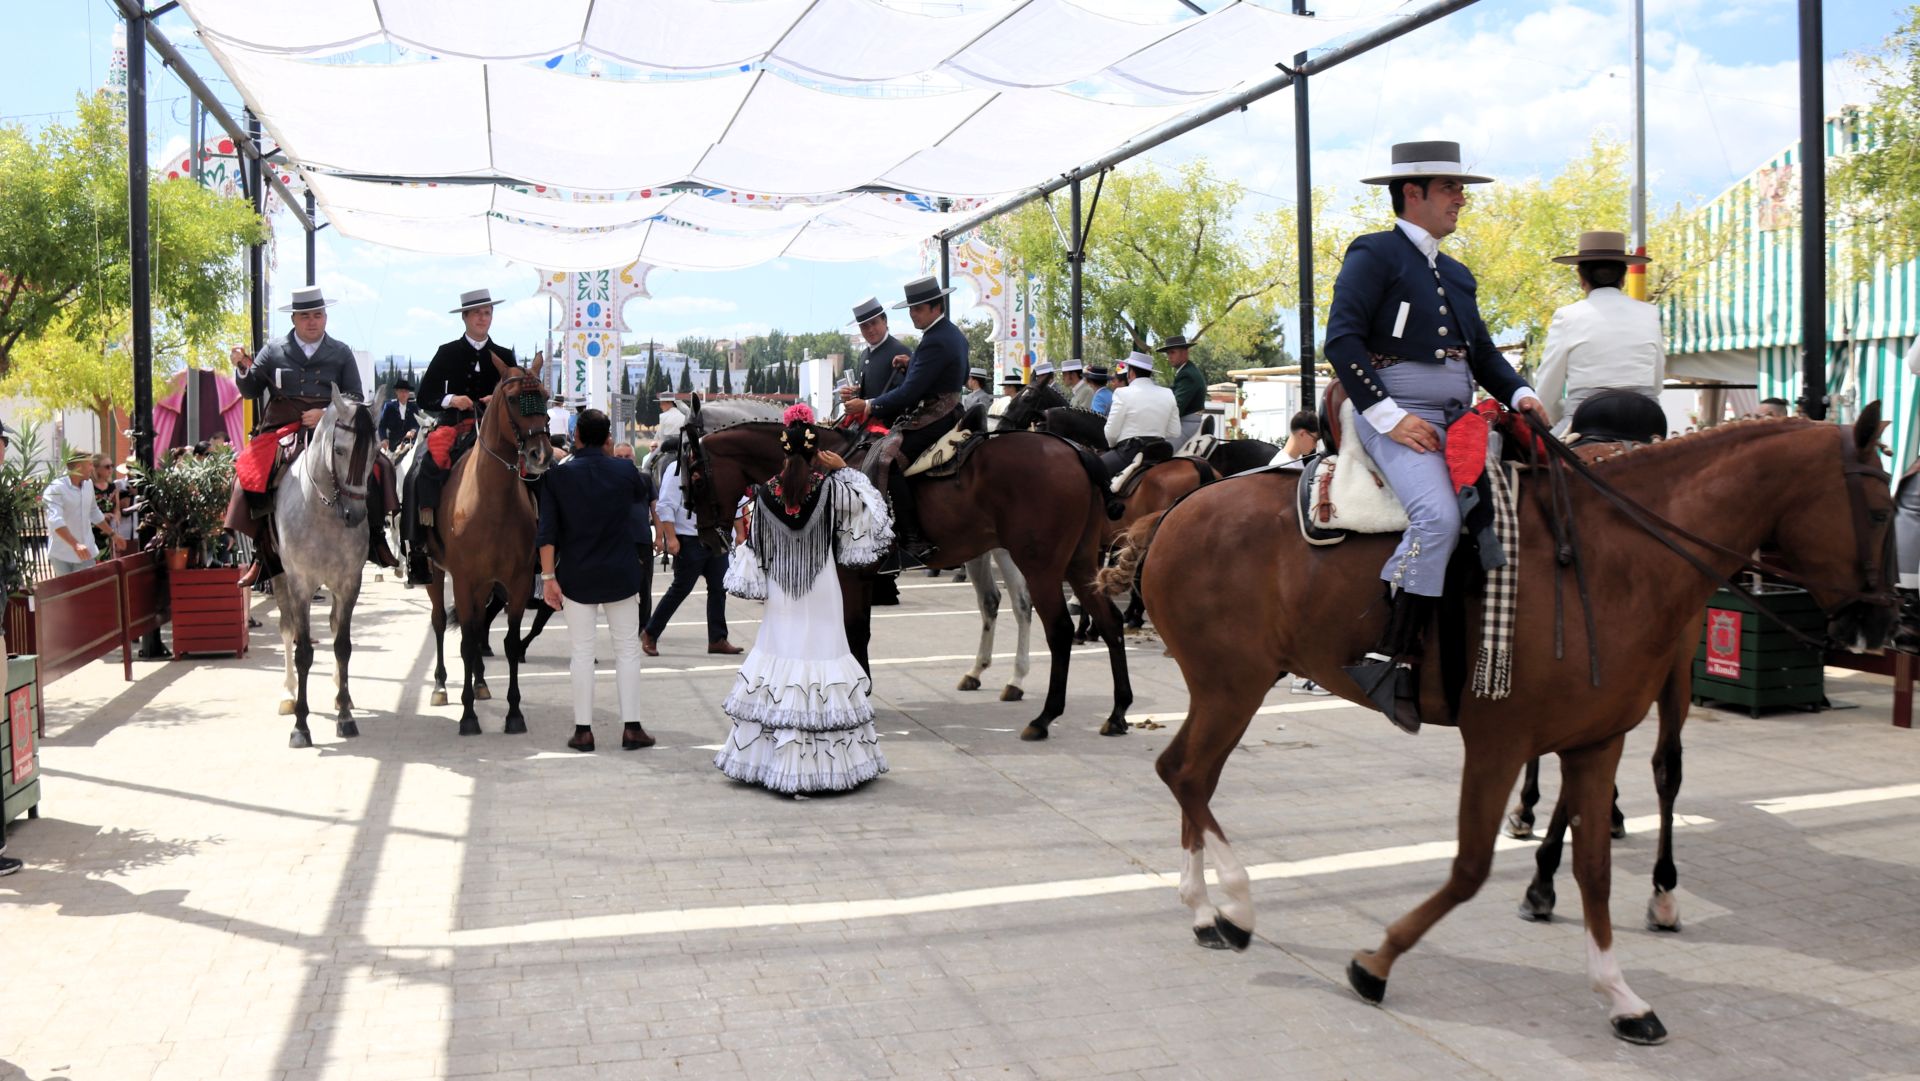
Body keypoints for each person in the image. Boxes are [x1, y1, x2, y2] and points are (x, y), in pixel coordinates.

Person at [1325, 140, 1550, 733]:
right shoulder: (1374, 254)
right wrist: (1389, 417)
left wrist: (1522, 393)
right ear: (1412, 193)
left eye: (1461, 190)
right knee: (1438, 519)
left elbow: (1480, 354)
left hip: (1459, 418)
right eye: (1451, 189)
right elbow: (1342, 342)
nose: (1461, 200)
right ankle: (1386, 659)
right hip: (1398, 415)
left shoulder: (1456, 273)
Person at [715, 404, 893, 794]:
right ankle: (828, 766)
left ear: (783, 452)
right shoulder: (831, 487)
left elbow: (756, 548)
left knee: (782, 652)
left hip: (783, 590)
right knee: (822, 655)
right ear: (816, 454)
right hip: (822, 586)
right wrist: (843, 467)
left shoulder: (764, 495)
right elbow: (873, 510)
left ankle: (770, 762)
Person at [224, 285, 393, 586]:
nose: (312, 321)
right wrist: (240, 366)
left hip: (333, 426)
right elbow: (251, 390)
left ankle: (377, 538)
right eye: (305, 316)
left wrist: (326, 413)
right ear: (294, 320)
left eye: (318, 315)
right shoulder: (273, 350)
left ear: (325, 317)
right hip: (282, 426)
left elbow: (354, 394)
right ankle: (261, 554)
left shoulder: (340, 352)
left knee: (379, 465)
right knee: (248, 471)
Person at [538, 409, 656, 753]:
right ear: (608, 439)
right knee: (628, 651)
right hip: (621, 572)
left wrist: (548, 578)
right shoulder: (625, 471)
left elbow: (547, 533)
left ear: (575, 436)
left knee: (581, 653)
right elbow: (638, 499)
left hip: (576, 575)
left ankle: (584, 732)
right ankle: (632, 728)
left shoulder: (556, 477)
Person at [841, 276, 970, 558]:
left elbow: (910, 393)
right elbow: (944, 373)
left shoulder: (935, 340)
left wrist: (868, 406)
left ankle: (912, 537)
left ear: (936, 308)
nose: (913, 315)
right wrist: (913, 364)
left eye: (918, 309)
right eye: (911, 309)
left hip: (937, 415)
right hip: (947, 409)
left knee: (888, 457)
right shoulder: (948, 334)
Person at [406, 288, 513, 585]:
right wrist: (452, 399)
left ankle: (539, 544)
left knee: (536, 470)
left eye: (488, 312)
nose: (483, 317)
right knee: (419, 471)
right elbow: (425, 396)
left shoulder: (504, 355)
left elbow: (517, 394)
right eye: (477, 312)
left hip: (497, 429)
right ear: (465, 317)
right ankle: (418, 547)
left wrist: (499, 399)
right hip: (455, 424)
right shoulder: (447, 352)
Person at [1533, 230, 1665, 433]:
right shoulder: (1650, 313)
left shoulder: (1567, 316)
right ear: (1623, 279)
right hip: (1646, 419)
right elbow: (1656, 383)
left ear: (1581, 279)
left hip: (1587, 420)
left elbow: (1547, 389)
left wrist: (1565, 416)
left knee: (1541, 463)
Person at [646, 455, 744, 657]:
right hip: (690, 538)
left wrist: (740, 532)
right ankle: (651, 632)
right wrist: (670, 537)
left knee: (719, 588)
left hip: (716, 536)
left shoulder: (722, 464)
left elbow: (735, 500)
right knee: (681, 588)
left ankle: (717, 638)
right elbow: (665, 505)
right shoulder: (678, 468)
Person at [1102, 350, 1182, 469]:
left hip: (1129, 454)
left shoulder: (1122, 393)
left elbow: (1111, 434)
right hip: (1160, 453)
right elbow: (1175, 431)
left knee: (1093, 470)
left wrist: (1113, 446)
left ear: (1131, 373)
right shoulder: (1168, 393)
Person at [612, 440, 658, 627]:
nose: (624, 460)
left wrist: (661, 536)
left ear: (634, 458)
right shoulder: (609, 480)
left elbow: (656, 508)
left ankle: (644, 625)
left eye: (627, 456)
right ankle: (622, 623)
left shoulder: (645, 479)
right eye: (619, 457)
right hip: (616, 542)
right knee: (617, 586)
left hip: (642, 540)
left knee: (644, 586)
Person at [839, 296, 911, 405]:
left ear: (885, 321)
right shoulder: (863, 355)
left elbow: (903, 393)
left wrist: (866, 404)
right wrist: (852, 394)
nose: (870, 330)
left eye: (874, 323)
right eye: (864, 326)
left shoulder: (899, 351)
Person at [44, 451, 103, 576]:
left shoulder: (88, 484)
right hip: (61, 554)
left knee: (86, 593)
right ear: (78, 467)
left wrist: (113, 534)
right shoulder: (55, 488)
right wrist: (75, 545)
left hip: (86, 552)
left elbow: (93, 511)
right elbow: (55, 520)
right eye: (90, 464)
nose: (92, 468)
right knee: (67, 594)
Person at [1160, 335, 1208, 445]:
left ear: (1185, 353)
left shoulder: (1187, 374)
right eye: (1168, 353)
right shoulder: (1186, 371)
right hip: (1187, 422)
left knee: (1161, 453)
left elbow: (1177, 407)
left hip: (1187, 424)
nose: (1169, 357)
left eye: (1172, 352)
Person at [378, 378, 422, 451]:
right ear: (396, 392)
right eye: (401, 391)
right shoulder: (389, 407)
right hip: (392, 445)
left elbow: (416, 424)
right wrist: (383, 439)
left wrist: (413, 431)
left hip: (410, 444)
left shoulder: (413, 407)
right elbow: (382, 426)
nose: (404, 394)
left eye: (406, 391)